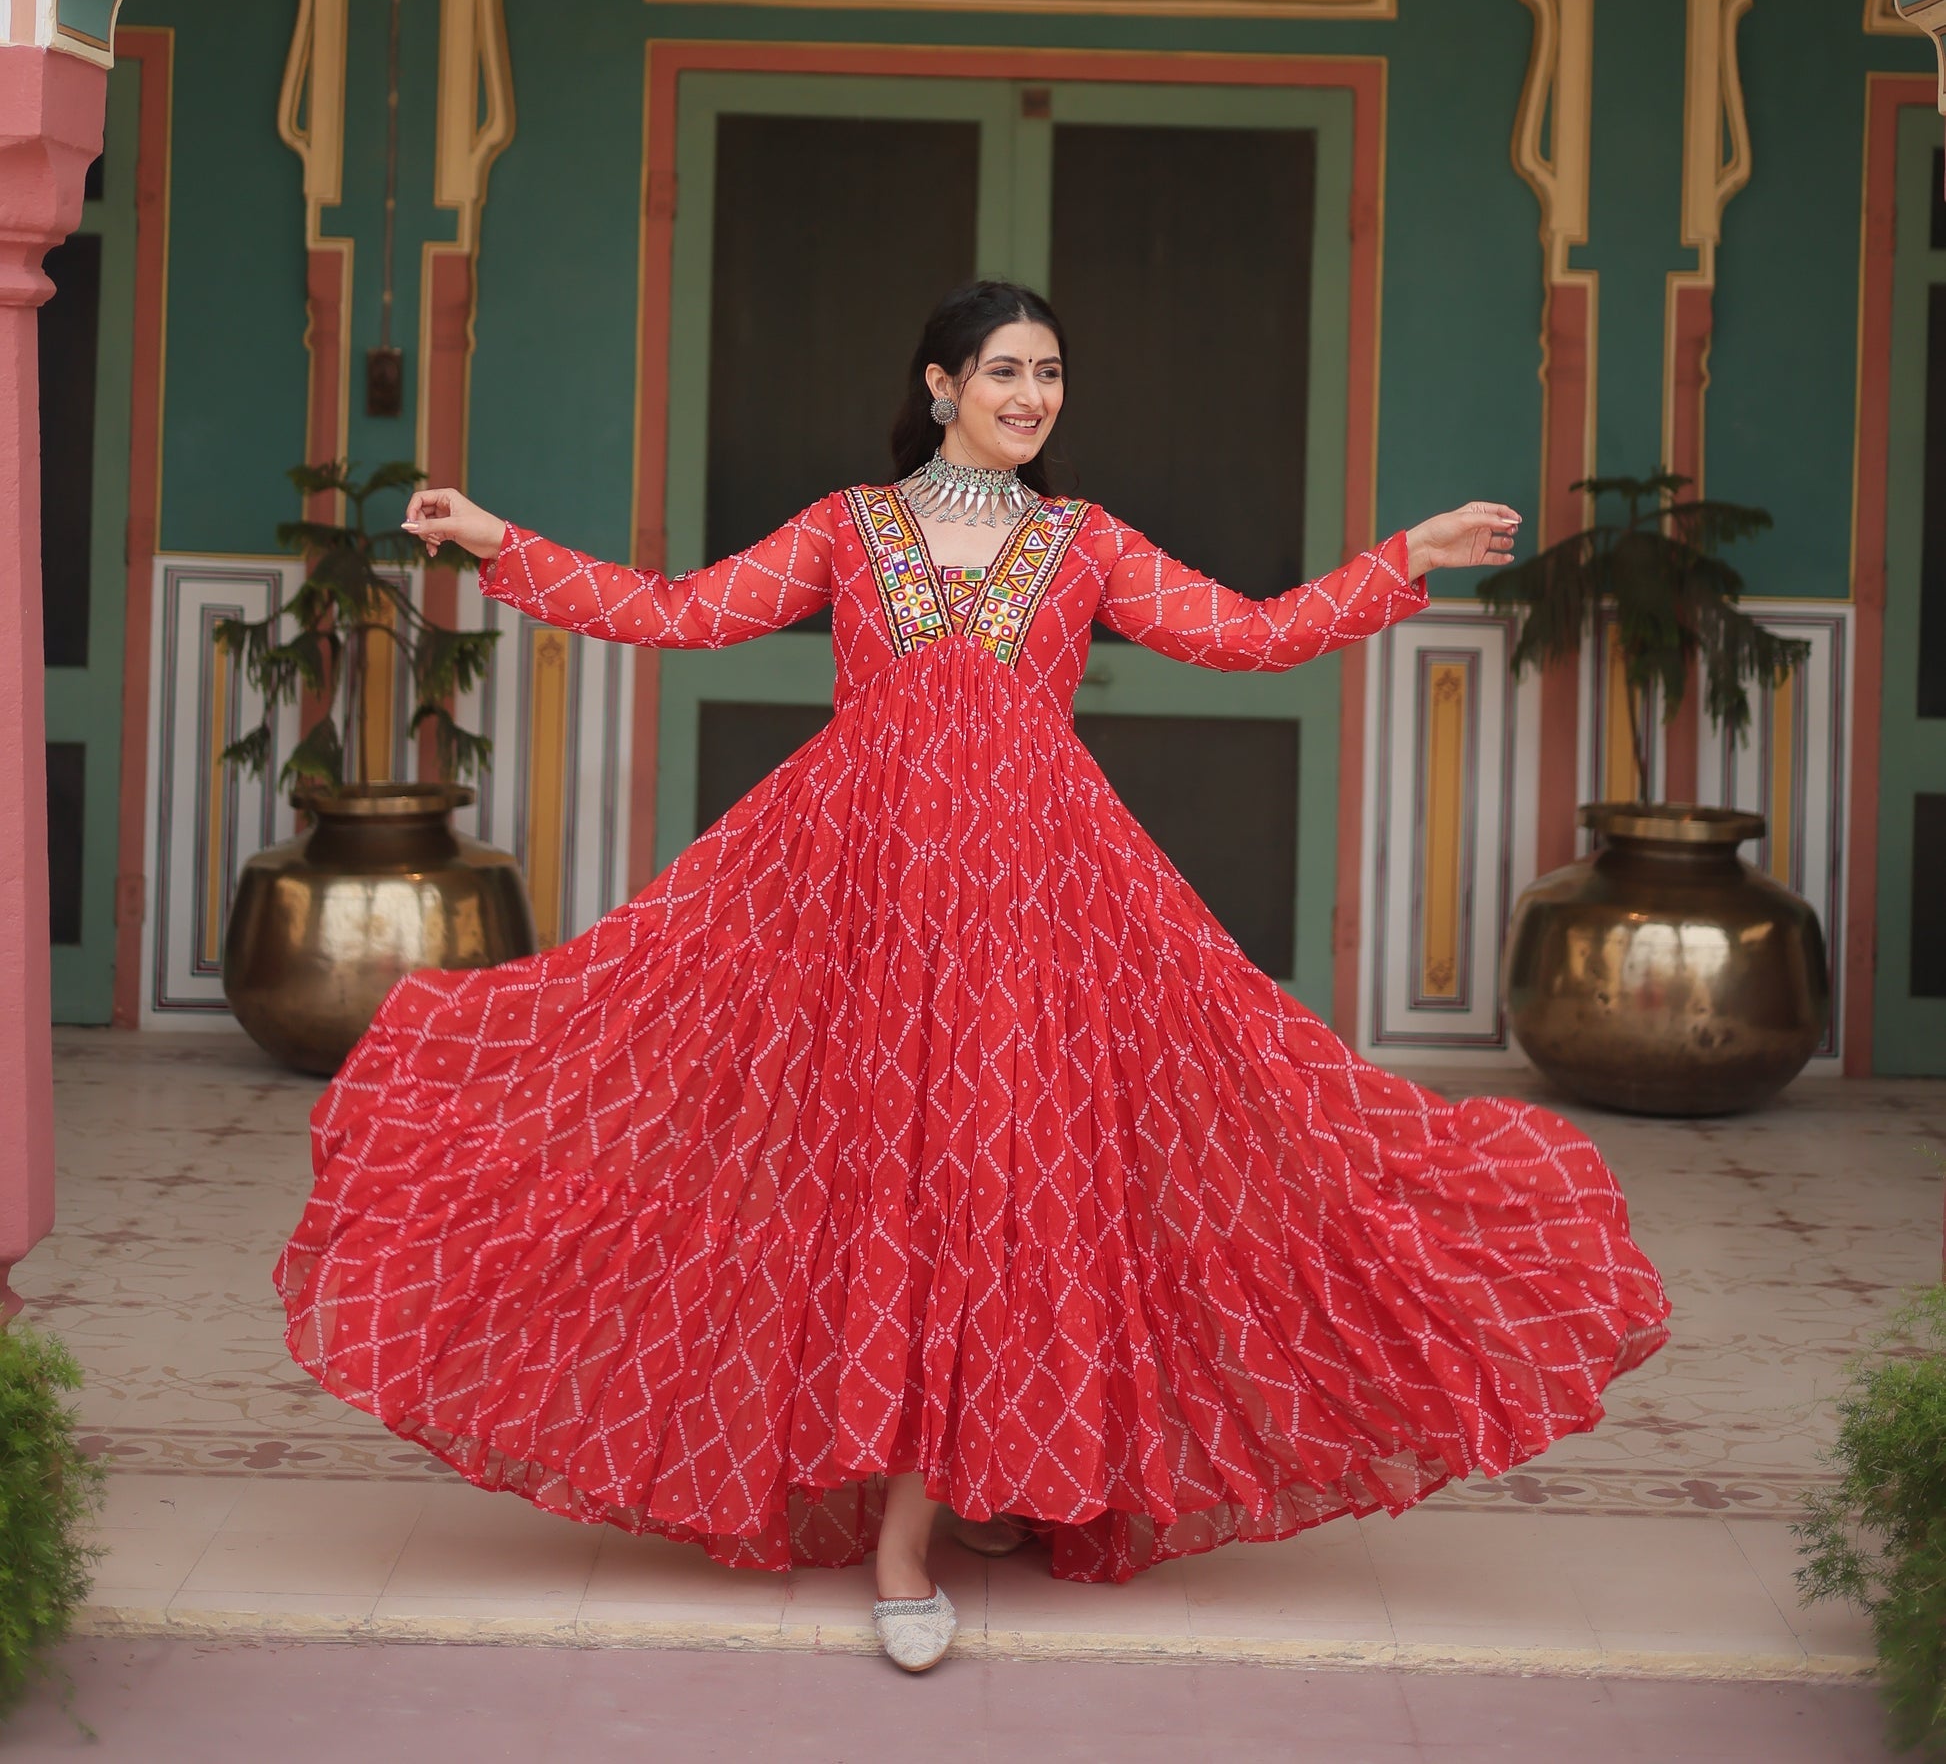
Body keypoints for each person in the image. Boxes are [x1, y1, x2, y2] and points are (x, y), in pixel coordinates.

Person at [276, 280, 1668, 1677]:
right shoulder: (849, 525)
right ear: (936, 384)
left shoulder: (1081, 543)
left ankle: (956, 1490)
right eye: (1002, 369)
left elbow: (1243, 634)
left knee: (998, 1188)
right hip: (853, 902)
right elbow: (678, 613)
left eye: (1049, 372)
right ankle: (909, 1527)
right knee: (879, 1185)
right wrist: (496, 542)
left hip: (1038, 908)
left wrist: (1398, 556)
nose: (1030, 394)